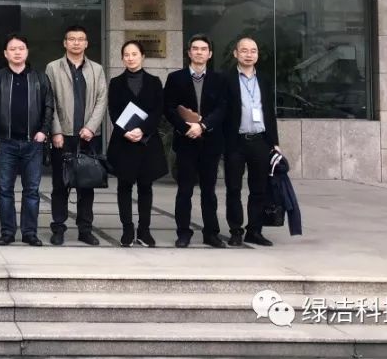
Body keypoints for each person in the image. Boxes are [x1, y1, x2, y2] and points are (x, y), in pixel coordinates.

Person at [0, 34, 53, 247]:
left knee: (31, 190)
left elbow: (49, 107)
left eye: (21, 48)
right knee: (5, 189)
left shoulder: (39, 78)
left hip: (33, 143)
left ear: (27, 52)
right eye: (13, 49)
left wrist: (44, 131)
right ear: (5, 53)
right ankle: (7, 232)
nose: (17, 52)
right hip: (5, 142)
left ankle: (29, 232)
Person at [44, 26, 107, 245]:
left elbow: (101, 100)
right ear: (65, 43)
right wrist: (56, 130)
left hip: (89, 136)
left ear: (86, 43)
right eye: (72, 39)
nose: (76, 43)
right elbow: (49, 101)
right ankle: (58, 227)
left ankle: (85, 229)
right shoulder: (53, 68)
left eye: (81, 39)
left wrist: (91, 127)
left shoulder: (97, 69)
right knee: (60, 185)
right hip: (63, 135)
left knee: (87, 185)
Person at [164, 34, 228, 249]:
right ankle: (183, 232)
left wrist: (203, 126)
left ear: (210, 54)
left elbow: (223, 108)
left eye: (203, 49)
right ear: (189, 53)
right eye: (195, 48)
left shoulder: (220, 80)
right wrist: (186, 128)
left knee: (209, 191)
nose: (199, 52)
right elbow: (169, 108)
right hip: (185, 142)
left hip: (210, 142)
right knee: (184, 191)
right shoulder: (175, 78)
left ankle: (211, 233)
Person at [106, 40, 166, 247]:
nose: (130, 58)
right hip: (124, 142)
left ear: (142, 57)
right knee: (124, 186)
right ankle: (127, 229)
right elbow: (113, 111)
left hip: (147, 142)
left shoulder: (154, 82)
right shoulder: (115, 83)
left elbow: (158, 110)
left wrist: (143, 130)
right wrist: (125, 131)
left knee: (145, 187)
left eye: (134, 54)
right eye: (126, 55)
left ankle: (144, 230)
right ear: (122, 58)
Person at [224, 36, 281, 247]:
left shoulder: (264, 80)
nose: (249, 55)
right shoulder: (226, 79)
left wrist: (274, 142)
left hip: (260, 141)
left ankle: (254, 230)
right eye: (244, 50)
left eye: (253, 51)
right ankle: (235, 231)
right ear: (236, 53)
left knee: (259, 189)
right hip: (235, 141)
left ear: (257, 55)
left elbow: (269, 112)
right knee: (233, 188)